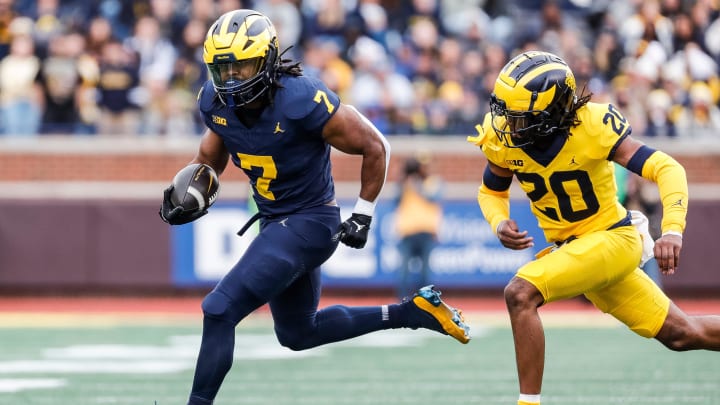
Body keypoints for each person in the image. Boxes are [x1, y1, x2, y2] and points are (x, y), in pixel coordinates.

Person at [158, 9, 470, 405]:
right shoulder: (214, 103)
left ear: (267, 59)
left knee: (219, 308)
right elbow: (210, 156)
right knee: (297, 333)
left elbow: (375, 145)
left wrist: (363, 212)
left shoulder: (300, 98)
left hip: (310, 222)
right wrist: (193, 185)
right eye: (224, 69)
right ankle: (411, 313)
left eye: (243, 66)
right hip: (276, 222)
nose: (233, 79)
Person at [467, 50, 720, 405]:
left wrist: (673, 229)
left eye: (521, 117)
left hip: (614, 239)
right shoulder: (504, 137)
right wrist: (498, 221)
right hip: (576, 252)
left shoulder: (594, 125)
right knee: (682, 334)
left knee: (520, 293)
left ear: (552, 112)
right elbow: (491, 191)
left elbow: (667, 168)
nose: (509, 125)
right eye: (507, 114)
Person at [393, 153, 444, 299]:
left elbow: (432, 198)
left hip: (426, 231)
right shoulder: (406, 183)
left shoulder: (434, 182)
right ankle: (402, 302)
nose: (424, 169)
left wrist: (416, 183)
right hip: (407, 231)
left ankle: (426, 302)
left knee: (426, 272)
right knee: (403, 271)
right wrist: (402, 180)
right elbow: (396, 200)